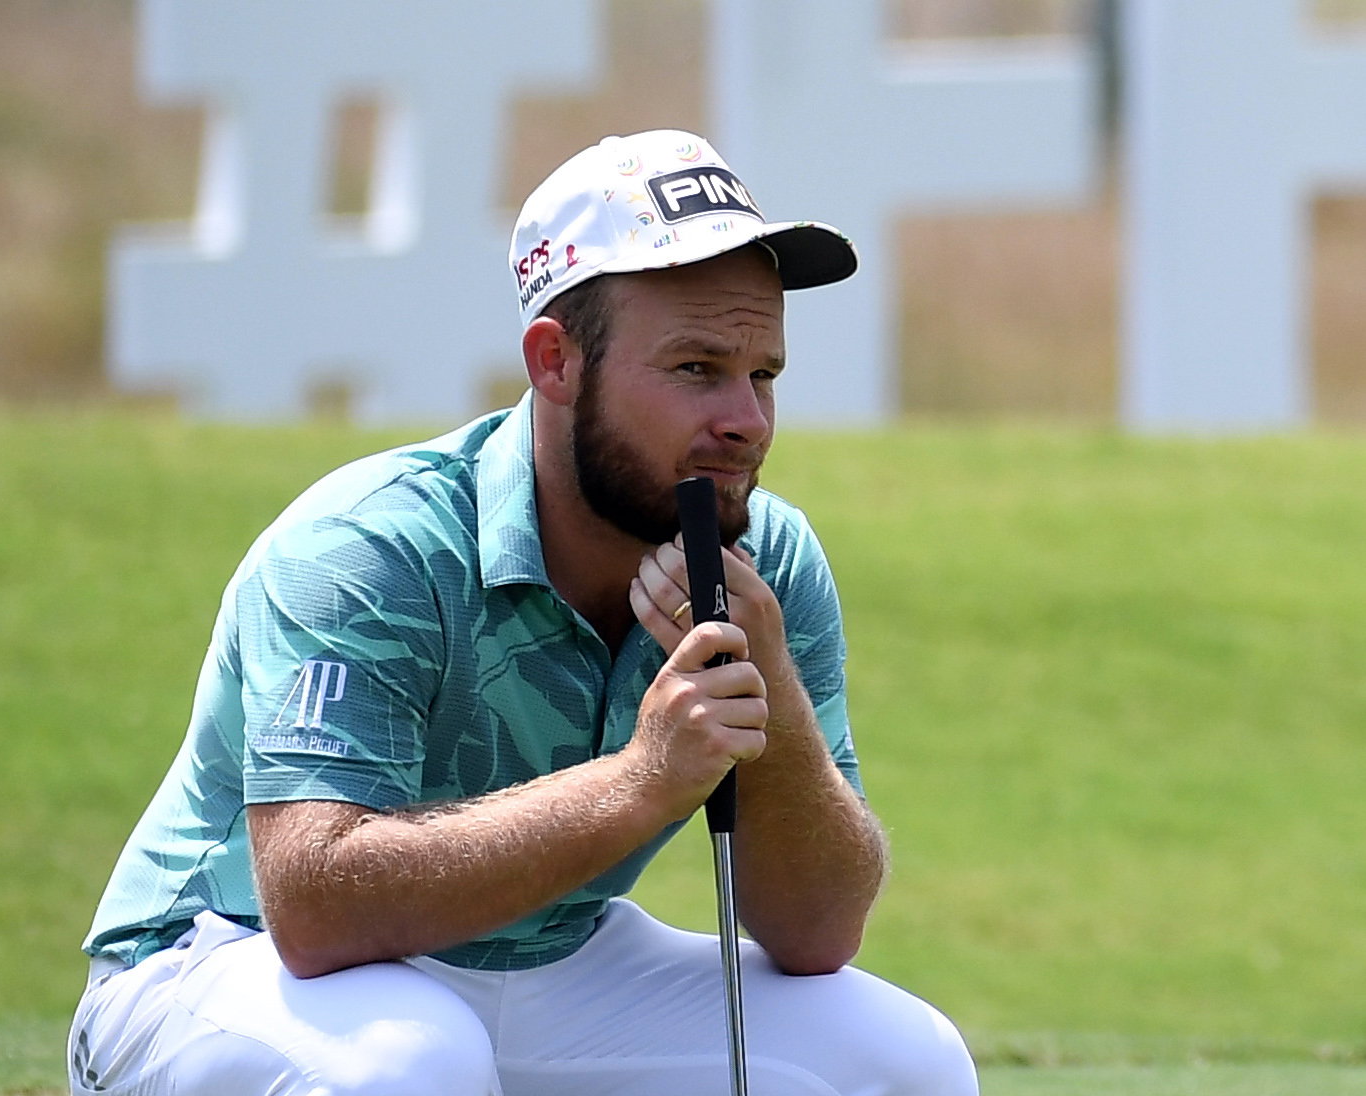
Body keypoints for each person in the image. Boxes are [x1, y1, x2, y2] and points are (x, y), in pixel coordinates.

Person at [69, 129, 978, 1096]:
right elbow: (315, 904)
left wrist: (775, 701)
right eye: (695, 369)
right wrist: (640, 782)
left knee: (902, 1064)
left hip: (546, 965)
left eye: (763, 374)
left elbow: (817, 930)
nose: (747, 420)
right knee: (410, 1067)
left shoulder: (764, 558)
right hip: (216, 965)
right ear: (555, 362)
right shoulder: (372, 545)